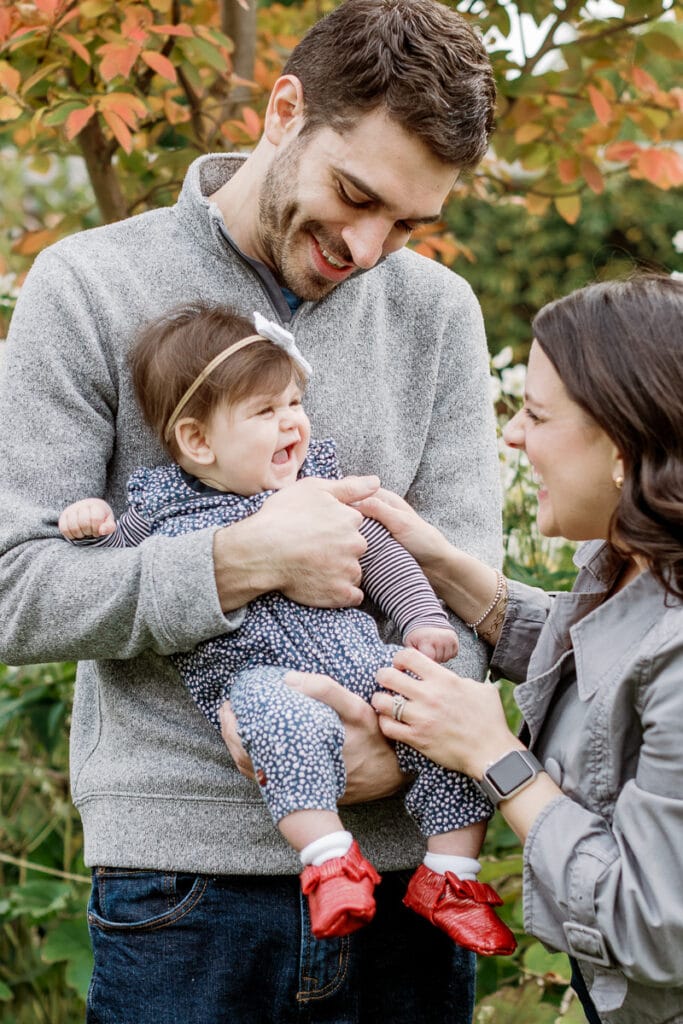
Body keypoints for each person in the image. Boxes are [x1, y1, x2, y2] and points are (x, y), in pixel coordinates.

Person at [0, 0, 501, 1019]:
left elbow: (466, 593)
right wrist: (241, 560)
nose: (367, 247)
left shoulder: (436, 313)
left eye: (405, 223)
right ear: (284, 109)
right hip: (181, 894)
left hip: (412, 887)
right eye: (353, 194)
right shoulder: (89, 285)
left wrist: (388, 738)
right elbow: (15, 586)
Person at [58, 303, 515, 953]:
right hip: (257, 677)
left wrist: (420, 621)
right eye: (265, 412)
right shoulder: (158, 508)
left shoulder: (321, 489)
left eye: (295, 402)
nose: (292, 421)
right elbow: (102, 589)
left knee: (442, 720)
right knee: (279, 721)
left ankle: (450, 875)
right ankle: (329, 859)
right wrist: (89, 527)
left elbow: (384, 557)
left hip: (361, 657)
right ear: (197, 441)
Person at [297, 275, 682, 1024]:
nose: (511, 436)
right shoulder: (633, 573)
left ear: (623, 446)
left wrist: (495, 758)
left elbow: (652, 926)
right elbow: (613, 670)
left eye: (535, 416)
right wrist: (442, 566)